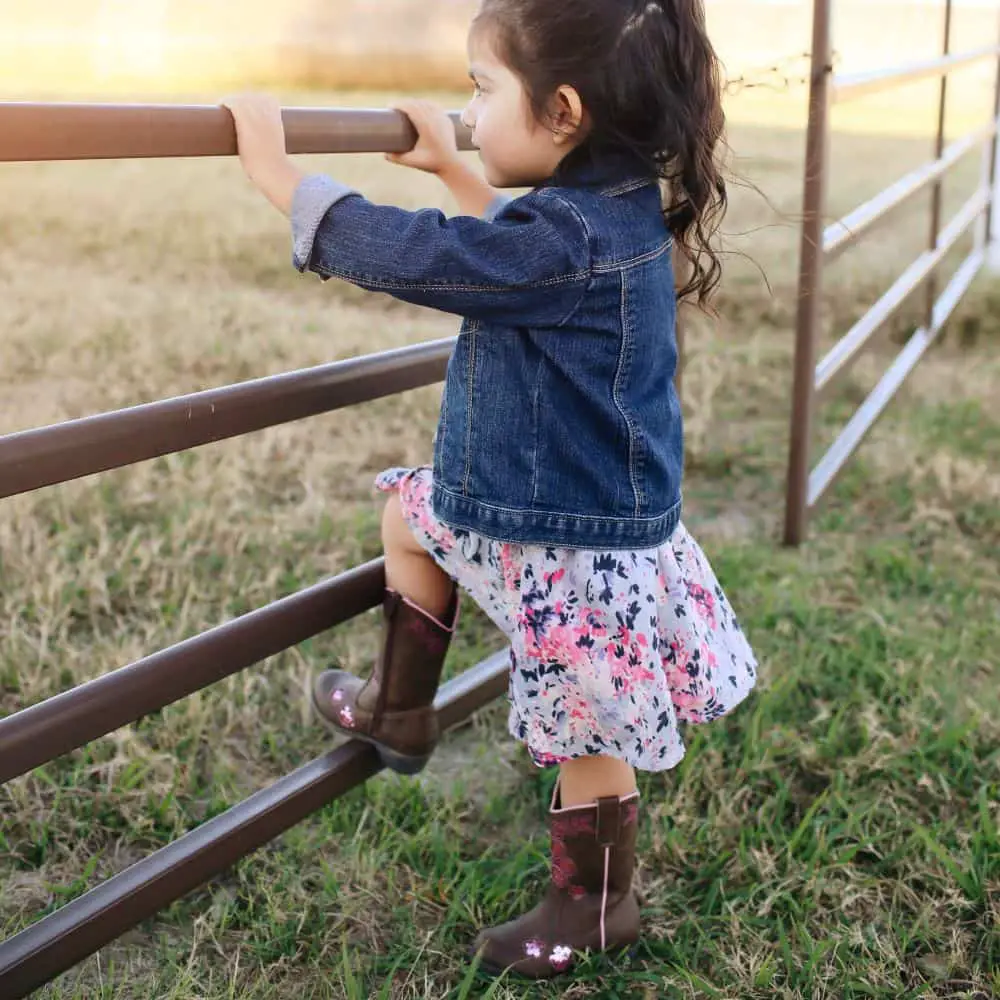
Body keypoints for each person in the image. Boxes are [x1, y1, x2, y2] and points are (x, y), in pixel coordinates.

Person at [223, 0, 757, 981]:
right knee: (406, 515)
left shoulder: (570, 237)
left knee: (585, 730)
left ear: (562, 111)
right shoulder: (613, 208)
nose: (469, 108)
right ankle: (399, 709)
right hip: (529, 508)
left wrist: (282, 177)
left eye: (481, 88)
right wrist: (458, 169)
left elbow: (446, 259)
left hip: (572, 540)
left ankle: (597, 904)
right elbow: (517, 261)